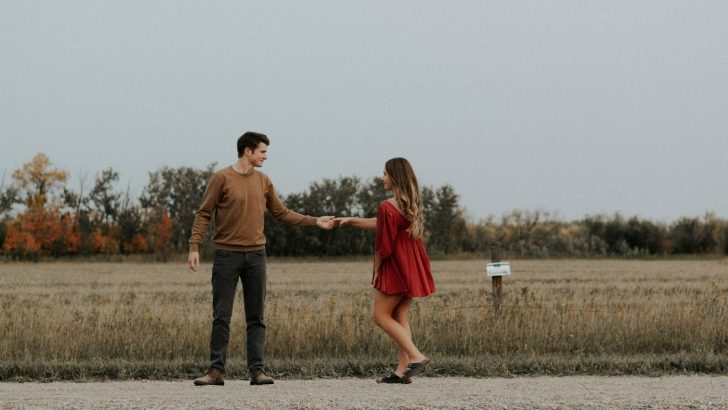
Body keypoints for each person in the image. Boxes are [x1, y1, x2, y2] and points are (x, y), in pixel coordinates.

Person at [188, 131, 335, 386]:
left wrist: (315, 221)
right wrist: (194, 247)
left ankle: (257, 371)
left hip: (257, 255)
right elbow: (203, 214)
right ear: (248, 151)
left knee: (256, 316)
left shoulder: (264, 181)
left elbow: (282, 213)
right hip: (226, 255)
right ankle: (215, 372)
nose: (266, 157)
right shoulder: (221, 178)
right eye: (262, 152)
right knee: (221, 315)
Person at [334, 157, 435, 384]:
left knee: (380, 316)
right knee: (399, 316)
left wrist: (378, 268)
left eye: (385, 174)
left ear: (395, 177)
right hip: (412, 264)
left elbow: (384, 245)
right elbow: (382, 222)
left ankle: (416, 356)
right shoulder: (410, 202)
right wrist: (352, 220)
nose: (382, 178)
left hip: (396, 265)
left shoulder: (388, 205)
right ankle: (402, 372)